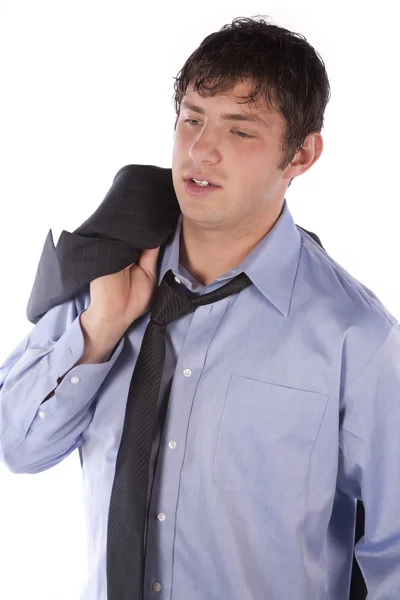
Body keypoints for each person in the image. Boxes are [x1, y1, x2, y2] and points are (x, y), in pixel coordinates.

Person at [1, 15, 399, 600]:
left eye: (240, 131)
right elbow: (18, 445)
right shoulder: (107, 276)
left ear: (302, 155)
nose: (200, 150)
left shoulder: (355, 337)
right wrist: (100, 329)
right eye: (191, 119)